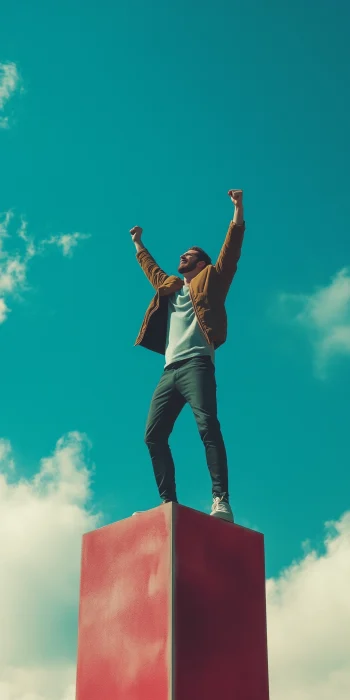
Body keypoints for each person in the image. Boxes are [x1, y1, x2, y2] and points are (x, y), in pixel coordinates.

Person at [130, 189, 245, 522]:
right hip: (169, 371)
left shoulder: (212, 279)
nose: (182, 257)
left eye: (189, 255)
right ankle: (168, 504)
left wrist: (237, 210)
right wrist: (138, 242)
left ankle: (221, 500)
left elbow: (231, 251)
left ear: (201, 263)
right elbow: (151, 269)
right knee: (153, 436)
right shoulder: (169, 285)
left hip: (197, 364)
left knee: (207, 425)